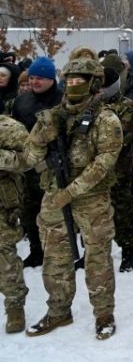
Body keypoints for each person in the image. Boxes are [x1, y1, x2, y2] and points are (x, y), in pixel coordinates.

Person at [20, 58, 122, 339]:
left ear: (94, 84)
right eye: (71, 80)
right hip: (54, 196)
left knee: (97, 259)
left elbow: (104, 163)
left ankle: (104, 314)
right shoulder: (51, 116)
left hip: (92, 200)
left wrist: (71, 191)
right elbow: (29, 158)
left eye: (81, 81)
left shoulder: (106, 119)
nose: (74, 85)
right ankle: (58, 310)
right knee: (55, 258)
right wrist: (41, 139)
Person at [11, 57, 63, 268]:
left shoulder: (63, 101)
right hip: (29, 169)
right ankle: (36, 250)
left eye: (40, 78)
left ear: (51, 78)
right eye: (31, 77)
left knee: (57, 214)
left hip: (56, 169)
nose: (34, 82)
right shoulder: (21, 101)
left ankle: (60, 252)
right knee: (29, 211)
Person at [98, 58, 133, 273]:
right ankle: (92, 251)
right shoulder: (90, 105)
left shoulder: (127, 106)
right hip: (93, 170)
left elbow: (122, 136)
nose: (101, 91)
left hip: (119, 169)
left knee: (122, 210)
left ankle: (128, 250)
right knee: (94, 213)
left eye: (105, 87)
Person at [0, 115, 29, 333]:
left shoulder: (8, 127)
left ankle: (15, 305)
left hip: (2, 202)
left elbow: (29, 158)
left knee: (4, 256)